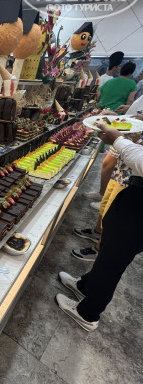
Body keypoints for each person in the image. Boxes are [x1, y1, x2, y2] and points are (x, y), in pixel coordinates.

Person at [56, 123, 143, 331]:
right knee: (108, 249)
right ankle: (85, 286)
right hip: (136, 196)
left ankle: (88, 313)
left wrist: (119, 140)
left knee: (113, 261)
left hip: (140, 209)